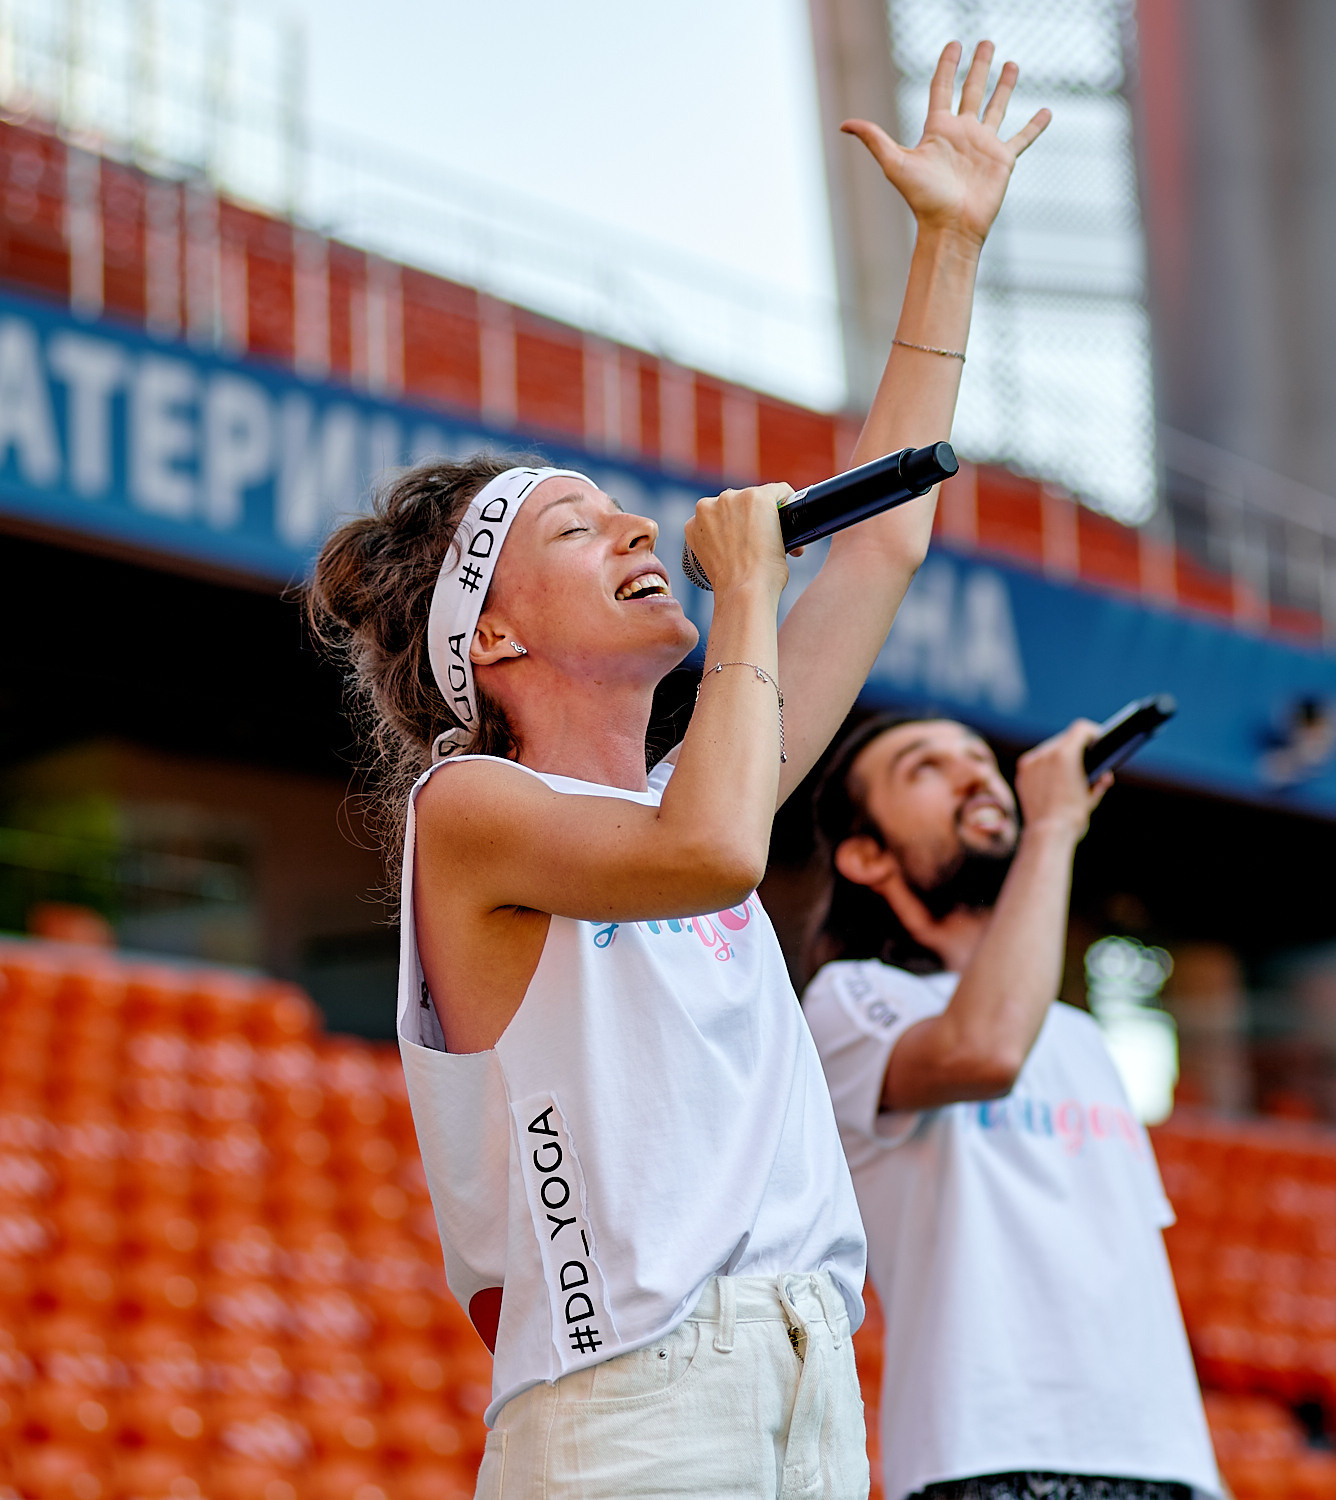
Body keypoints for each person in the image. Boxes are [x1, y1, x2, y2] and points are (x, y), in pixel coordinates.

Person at [305, 43, 1047, 1499]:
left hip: (805, 1366)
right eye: (578, 530)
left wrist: (947, 245)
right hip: (631, 1391)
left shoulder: (681, 790)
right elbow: (713, 856)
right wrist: (753, 593)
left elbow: (883, 543)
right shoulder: (471, 808)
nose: (640, 532)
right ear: (493, 637)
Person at [801, 716, 1222, 1500]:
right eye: (926, 768)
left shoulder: (1083, 1037)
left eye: (979, 757)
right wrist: (1053, 830)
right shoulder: (852, 998)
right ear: (867, 855)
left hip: (1164, 1459)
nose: (975, 775)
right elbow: (984, 1052)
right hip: (991, 1452)